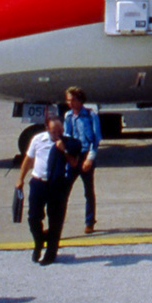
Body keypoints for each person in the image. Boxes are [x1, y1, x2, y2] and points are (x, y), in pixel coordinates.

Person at [14, 114, 80, 265]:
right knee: (33, 217)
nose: (57, 135)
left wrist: (64, 150)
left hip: (57, 184)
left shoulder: (67, 141)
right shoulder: (38, 139)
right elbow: (28, 159)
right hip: (38, 182)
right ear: (46, 129)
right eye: (53, 132)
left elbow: (74, 163)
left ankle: (51, 253)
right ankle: (39, 241)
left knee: (55, 219)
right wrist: (20, 179)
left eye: (60, 131)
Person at [62, 87, 101, 234]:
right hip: (73, 156)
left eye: (72, 100)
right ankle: (59, 223)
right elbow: (66, 136)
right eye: (68, 100)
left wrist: (89, 159)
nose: (70, 103)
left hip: (85, 155)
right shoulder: (68, 116)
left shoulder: (90, 115)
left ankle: (89, 222)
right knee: (64, 192)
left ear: (79, 100)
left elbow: (95, 139)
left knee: (88, 192)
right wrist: (69, 157)